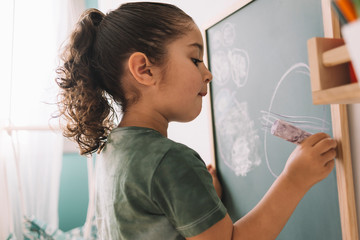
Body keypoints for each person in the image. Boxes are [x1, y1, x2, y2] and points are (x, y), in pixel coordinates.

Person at [55, 2, 337, 240]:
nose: (208, 73)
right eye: (195, 59)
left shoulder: (112, 151)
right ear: (145, 70)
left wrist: (200, 202)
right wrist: (295, 179)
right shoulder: (169, 160)